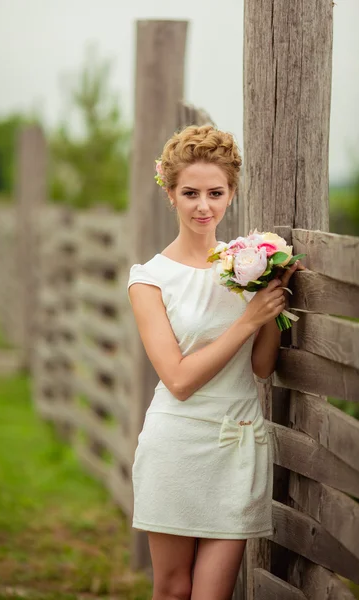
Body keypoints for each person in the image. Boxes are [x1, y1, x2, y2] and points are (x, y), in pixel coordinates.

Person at [127, 125, 303, 600]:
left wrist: (269, 300)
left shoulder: (246, 267)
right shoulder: (150, 280)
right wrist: (248, 320)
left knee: (213, 594)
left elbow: (263, 368)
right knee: (172, 588)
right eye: (190, 193)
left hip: (236, 442)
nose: (203, 205)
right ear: (170, 194)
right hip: (176, 443)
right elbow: (179, 380)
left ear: (231, 195)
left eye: (215, 192)